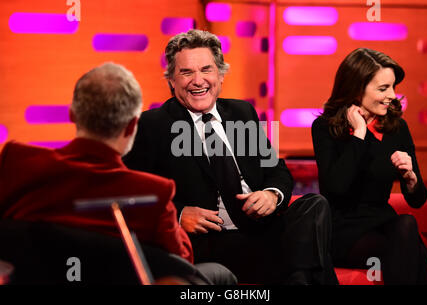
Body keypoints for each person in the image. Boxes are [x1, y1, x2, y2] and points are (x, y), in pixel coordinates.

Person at [123, 29, 338, 285]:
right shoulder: (151, 125)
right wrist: (178, 215)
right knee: (311, 260)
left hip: (261, 230)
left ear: (220, 75)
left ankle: (299, 276)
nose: (198, 80)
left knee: (314, 205)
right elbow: (131, 197)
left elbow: (277, 170)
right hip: (212, 240)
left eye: (206, 69)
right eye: (186, 72)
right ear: (171, 80)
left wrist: (271, 194)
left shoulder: (242, 111)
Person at [0, 62, 236, 285]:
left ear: (72, 114)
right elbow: (180, 265)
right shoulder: (152, 193)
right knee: (220, 274)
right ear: (133, 125)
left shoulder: (17, 162)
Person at [311, 48, 427, 284]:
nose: (392, 95)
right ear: (357, 89)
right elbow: (336, 187)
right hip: (342, 229)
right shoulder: (324, 128)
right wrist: (359, 134)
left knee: (407, 225)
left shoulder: (397, 128)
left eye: (393, 87)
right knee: (413, 250)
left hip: (381, 222)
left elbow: (417, 201)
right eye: (383, 88)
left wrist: (410, 178)